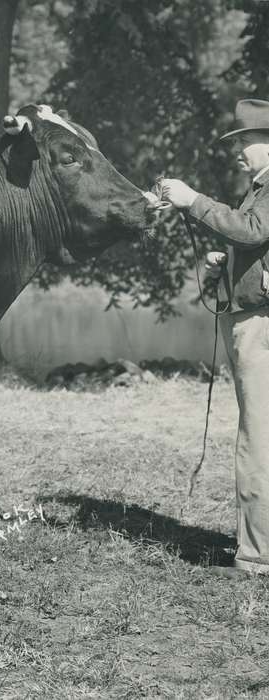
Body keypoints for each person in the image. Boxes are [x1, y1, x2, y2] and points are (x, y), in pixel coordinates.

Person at [161, 98, 269, 578]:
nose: (238, 151)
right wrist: (230, 264)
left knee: (258, 440)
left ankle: (257, 558)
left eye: (246, 141)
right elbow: (256, 241)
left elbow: (253, 230)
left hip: (261, 325)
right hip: (255, 317)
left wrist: (192, 201)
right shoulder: (258, 188)